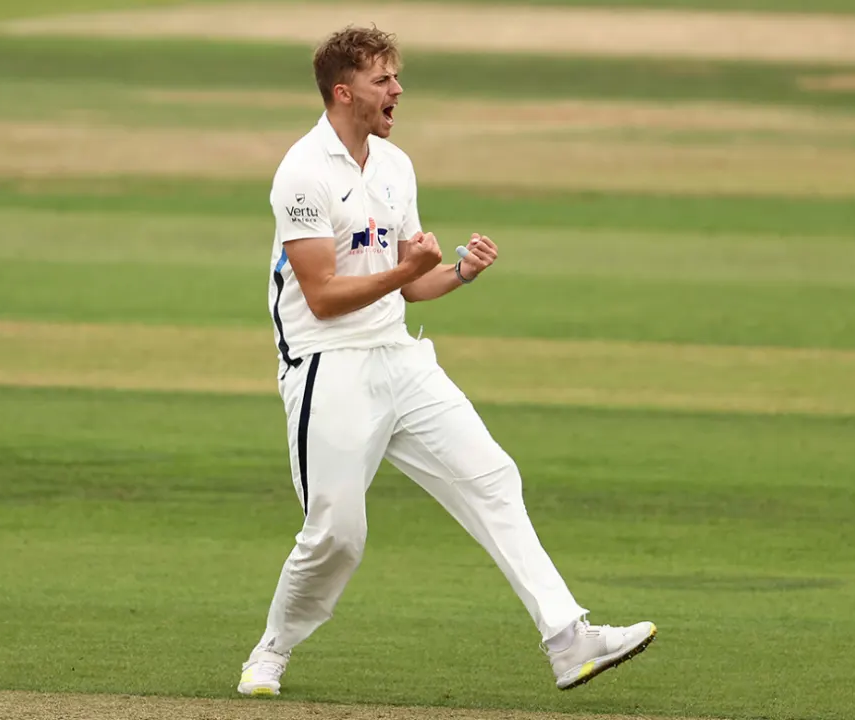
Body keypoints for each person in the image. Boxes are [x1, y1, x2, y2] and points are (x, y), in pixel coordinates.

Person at [237, 25, 657, 697]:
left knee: (492, 477)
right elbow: (321, 298)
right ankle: (273, 651)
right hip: (329, 364)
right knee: (337, 534)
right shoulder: (302, 173)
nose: (398, 90)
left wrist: (456, 271)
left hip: (400, 358)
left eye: (397, 77)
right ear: (343, 92)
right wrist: (414, 265)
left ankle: (568, 638)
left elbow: (408, 283)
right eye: (383, 80)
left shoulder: (395, 166)